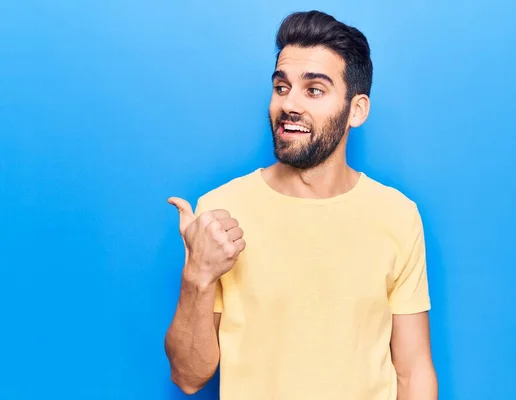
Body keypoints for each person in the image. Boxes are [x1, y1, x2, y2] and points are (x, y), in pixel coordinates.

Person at [164, 10, 438, 400]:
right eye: (281, 87)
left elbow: (413, 372)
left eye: (314, 90)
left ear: (356, 110)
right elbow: (188, 377)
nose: (289, 104)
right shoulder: (220, 211)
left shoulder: (397, 215)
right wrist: (198, 276)